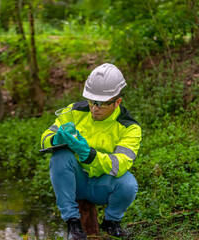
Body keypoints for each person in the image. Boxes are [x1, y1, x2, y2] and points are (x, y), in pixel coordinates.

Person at [40, 63, 142, 240]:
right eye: (91, 101)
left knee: (129, 185)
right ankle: (73, 222)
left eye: (102, 104)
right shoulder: (74, 111)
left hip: (103, 186)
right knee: (60, 157)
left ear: (117, 102)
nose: (94, 108)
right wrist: (55, 139)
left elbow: (119, 164)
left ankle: (111, 222)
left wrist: (89, 154)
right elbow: (44, 138)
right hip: (74, 182)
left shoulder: (129, 128)